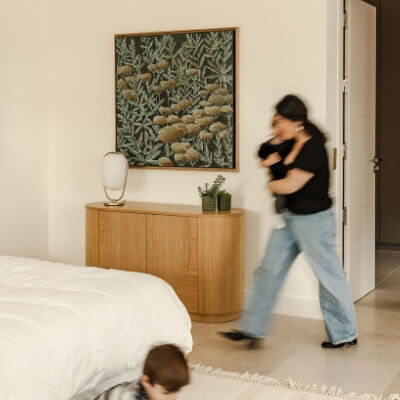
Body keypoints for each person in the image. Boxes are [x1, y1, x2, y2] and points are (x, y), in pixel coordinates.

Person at [220, 94, 358, 350]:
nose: (277, 126)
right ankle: (252, 329)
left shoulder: (314, 147)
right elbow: (264, 153)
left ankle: (344, 333)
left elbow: (289, 185)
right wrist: (272, 154)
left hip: (314, 222)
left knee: (328, 276)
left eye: (281, 120)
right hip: (288, 218)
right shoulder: (289, 141)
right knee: (268, 270)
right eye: (275, 121)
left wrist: (270, 183)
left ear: (297, 121)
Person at [95, 344, 190, 400]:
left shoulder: (153, 392)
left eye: (177, 390)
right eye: (166, 393)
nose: (172, 398)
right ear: (146, 382)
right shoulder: (129, 397)